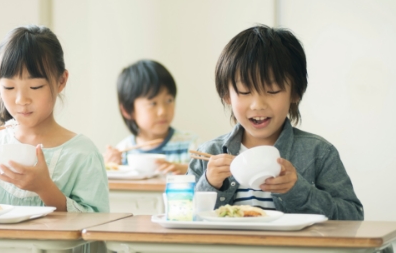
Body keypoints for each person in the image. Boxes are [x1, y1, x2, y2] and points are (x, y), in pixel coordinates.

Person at [187, 25, 363, 220]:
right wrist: (210, 184)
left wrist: (298, 191)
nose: (257, 105)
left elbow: (352, 218)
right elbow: (183, 217)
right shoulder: (210, 154)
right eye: (245, 92)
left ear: (295, 92)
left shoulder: (319, 153)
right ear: (227, 95)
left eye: (272, 91)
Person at [0, 25, 109, 213]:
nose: (22, 100)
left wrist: (45, 188)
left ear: (61, 81)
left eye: (36, 87)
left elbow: (96, 224)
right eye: (9, 88)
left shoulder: (82, 154)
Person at [104, 60, 199, 174]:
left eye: (169, 100)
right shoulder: (123, 154)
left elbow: (209, 180)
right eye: (153, 103)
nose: (162, 111)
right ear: (127, 110)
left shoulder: (192, 145)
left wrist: (188, 170)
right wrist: (110, 167)